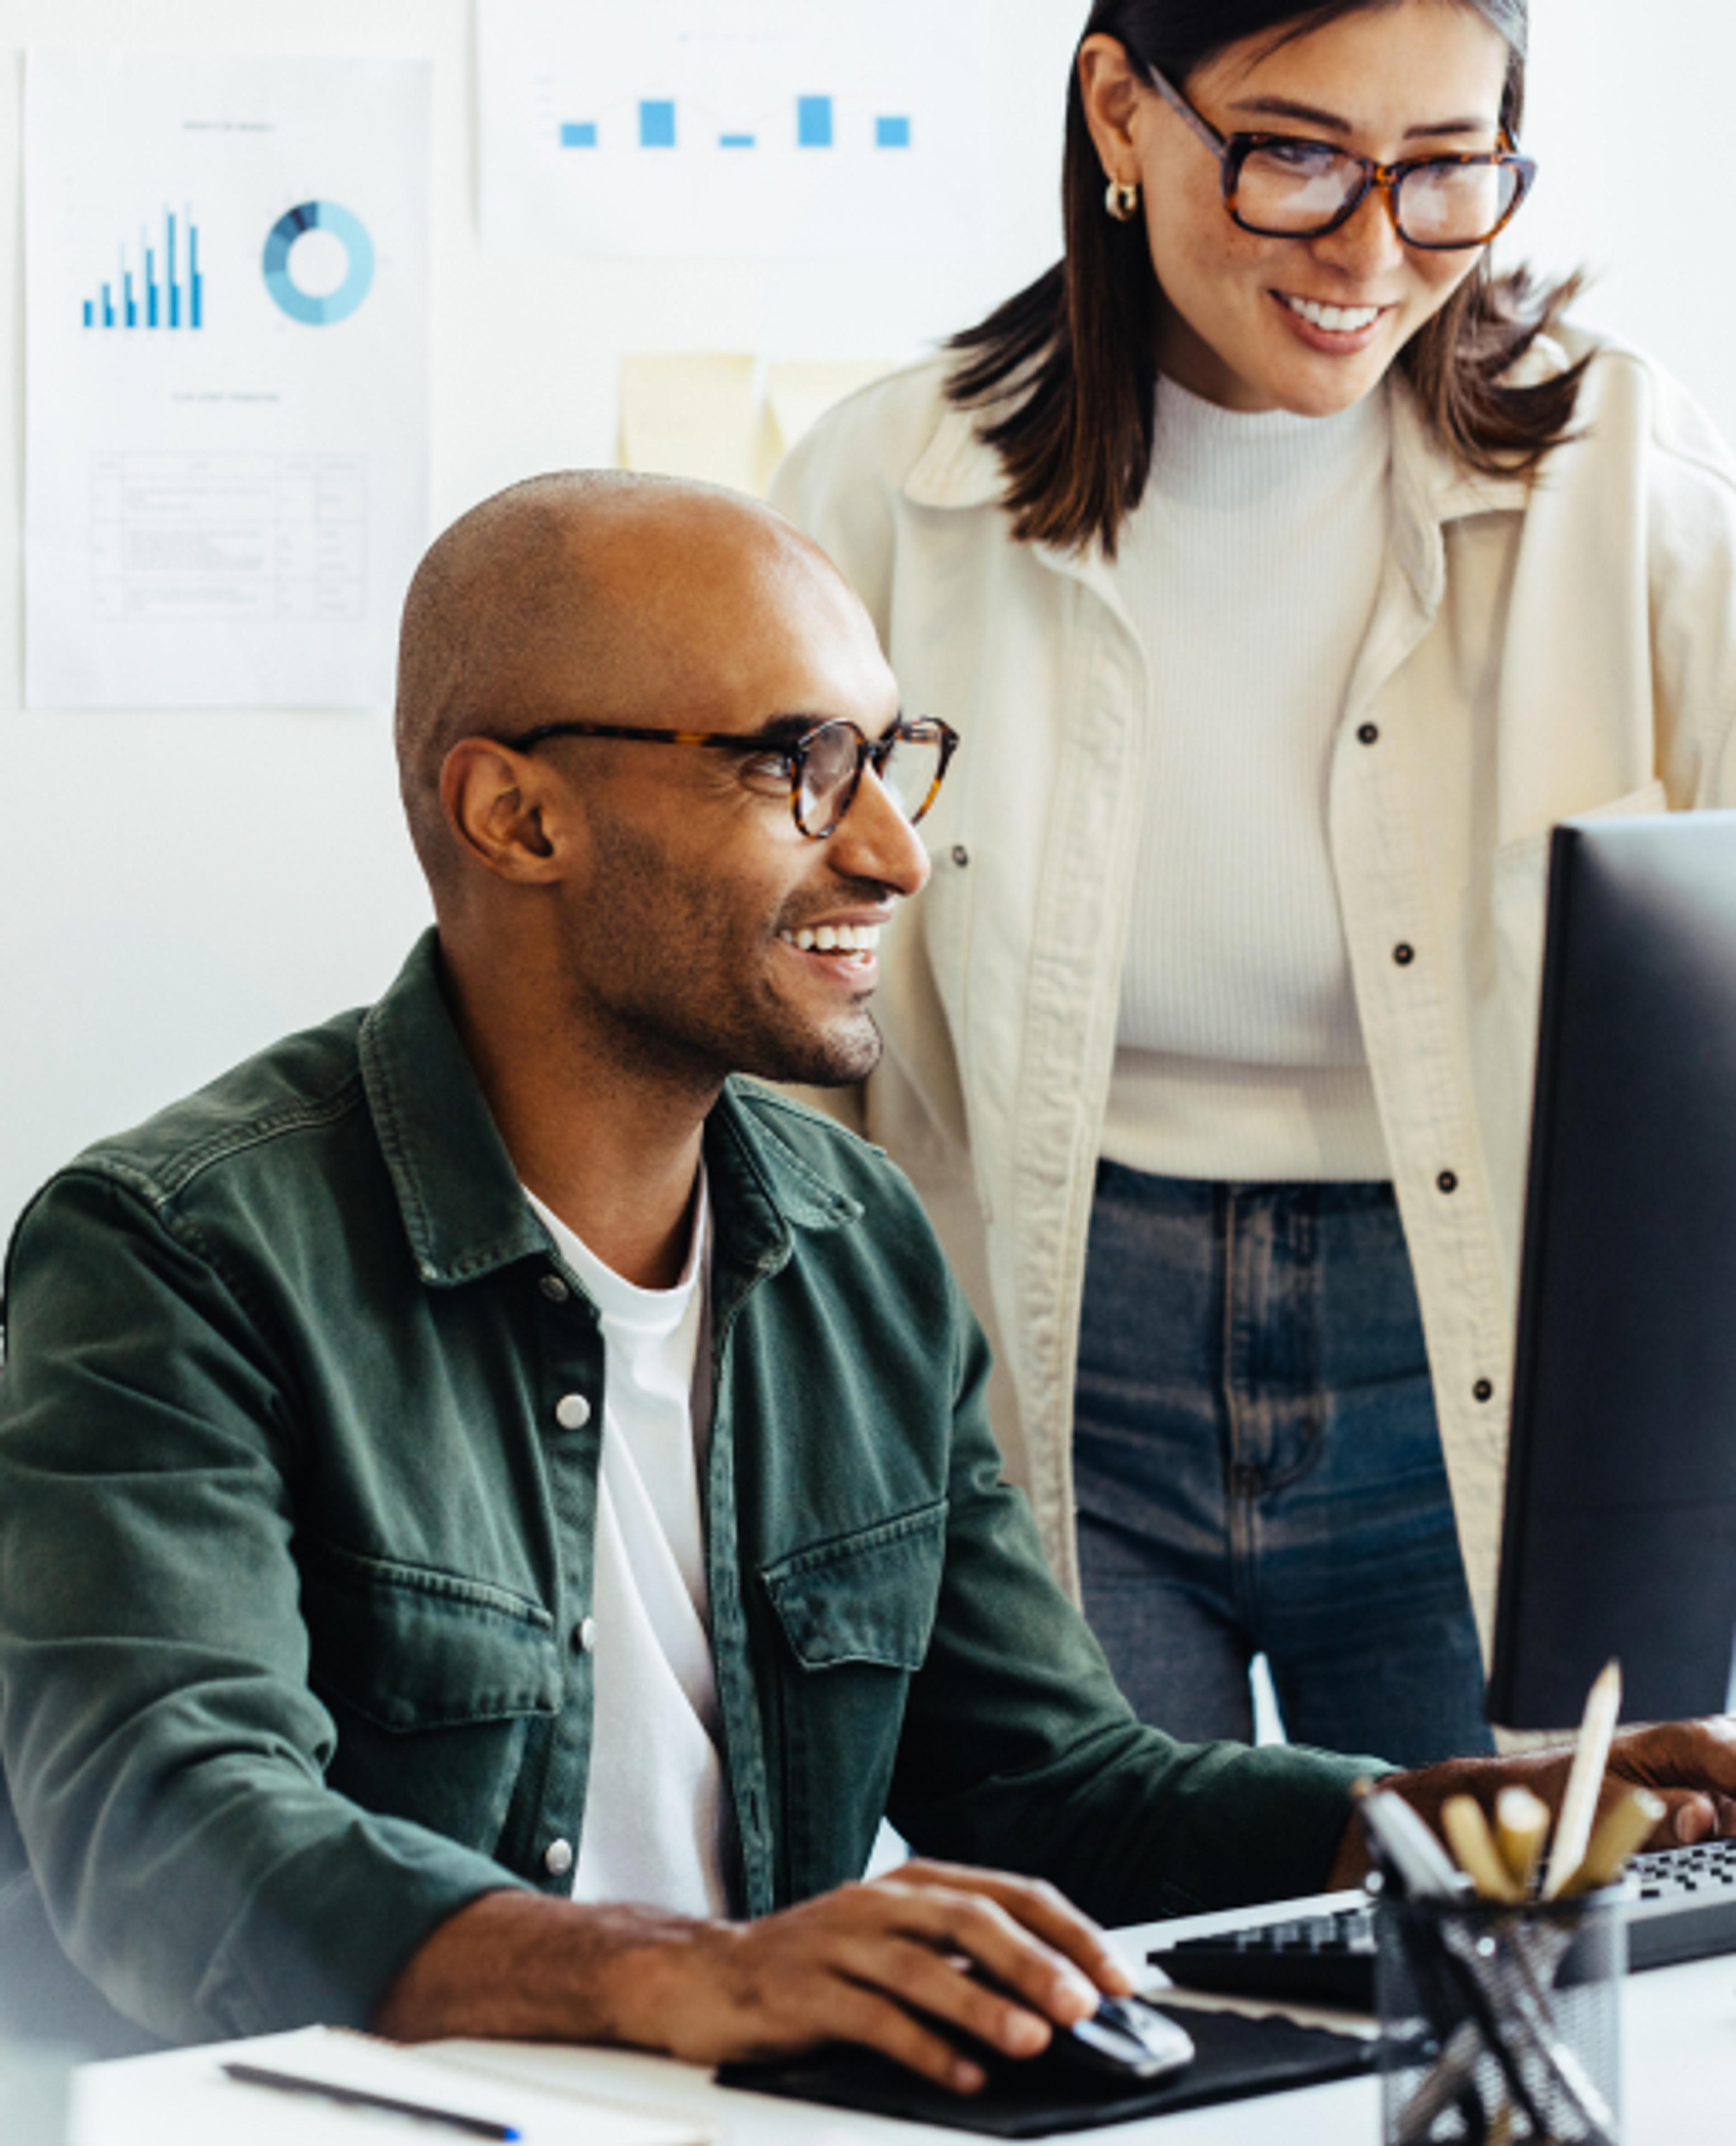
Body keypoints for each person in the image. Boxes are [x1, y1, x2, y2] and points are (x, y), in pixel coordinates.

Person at [1, 474, 1731, 2080]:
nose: (897, 851)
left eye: (894, 758)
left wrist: (1462, 1819)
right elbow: (168, 1824)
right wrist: (683, 1975)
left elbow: (1057, 1785)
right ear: (517, 815)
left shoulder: (859, 1238)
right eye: (801, 765)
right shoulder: (174, 1255)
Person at [770, 0, 1736, 1765]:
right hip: (1051, 1352)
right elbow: (769, 1008)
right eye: (1295, 155)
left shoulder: (1632, 486)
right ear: (1120, 112)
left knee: (1513, 1913)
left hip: (1473, 1355)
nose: (1372, 251)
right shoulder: (888, 493)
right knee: (1132, 1915)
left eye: (1446, 168)